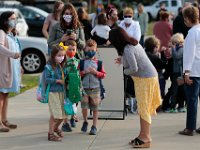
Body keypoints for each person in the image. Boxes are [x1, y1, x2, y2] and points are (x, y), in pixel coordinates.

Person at [109, 27, 161, 148]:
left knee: (143, 108)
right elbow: (135, 59)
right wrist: (122, 60)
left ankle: (146, 137)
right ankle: (142, 135)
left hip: (145, 79)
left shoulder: (128, 49)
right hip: (146, 78)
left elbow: (134, 68)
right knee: (143, 108)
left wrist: (123, 72)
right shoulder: (133, 43)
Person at [179, 6, 200, 136]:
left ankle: (190, 128)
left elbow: (189, 54)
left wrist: (186, 72)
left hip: (194, 71)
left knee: (192, 101)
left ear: (187, 18)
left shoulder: (192, 32)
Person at [0, 11, 21, 132]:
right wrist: (13, 54)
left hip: (11, 69)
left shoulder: (10, 34)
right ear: (5, 21)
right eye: (12, 19)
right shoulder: (1, 32)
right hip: (3, 68)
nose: (14, 21)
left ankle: (4, 120)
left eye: (15, 18)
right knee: (1, 96)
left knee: (5, 94)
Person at [80, 39, 106, 135]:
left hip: (95, 88)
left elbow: (103, 74)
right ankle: (85, 121)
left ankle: (94, 126)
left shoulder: (98, 63)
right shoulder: (82, 62)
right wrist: (84, 72)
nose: (91, 52)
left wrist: (96, 73)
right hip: (84, 88)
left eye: (93, 50)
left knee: (95, 108)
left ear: (96, 50)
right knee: (84, 106)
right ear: (85, 50)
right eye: (89, 50)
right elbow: (78, 74)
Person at [45, 44, 67, 141]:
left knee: (63, 115)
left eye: (62, 55)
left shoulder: (61, 66)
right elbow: (47, 79)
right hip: (53, 93)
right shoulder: (49, 67)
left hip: (61, 92)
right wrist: (57, 81)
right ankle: (51, 134)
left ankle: (55, 128)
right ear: (53, 55)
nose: (61, 58)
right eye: (59, 55)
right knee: (55, 114)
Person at [62, 40, 81, 131]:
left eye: (73, 49)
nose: (71, 51)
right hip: (66, 85)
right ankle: (65, 122)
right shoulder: (63, 61)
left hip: (75, 85)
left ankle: (73, 117)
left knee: (75, 101)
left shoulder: (77, 61)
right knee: (66, 102)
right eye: (69, 49)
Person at [144, 36, 167, 101]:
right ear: (155, 47)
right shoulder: (153, 57)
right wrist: (163, 54)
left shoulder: (143, 53)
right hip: (155, 77)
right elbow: (163, 65)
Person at [168, 33, 186, 113]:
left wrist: (173, 48)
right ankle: (175, 106)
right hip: (176, 72)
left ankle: (179, 106)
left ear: (179, 42)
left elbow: (177, 56)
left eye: (175, 43)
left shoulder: (181, 49)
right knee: (176, 90)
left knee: (178, 90)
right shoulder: (178, 48)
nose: (174, 44)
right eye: (173, 43)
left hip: (179, 72)